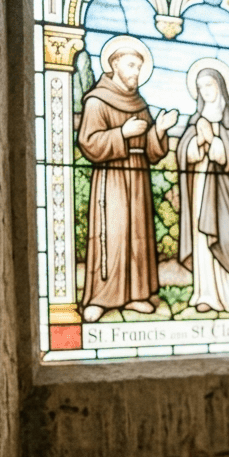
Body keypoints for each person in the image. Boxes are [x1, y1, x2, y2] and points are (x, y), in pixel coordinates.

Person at [78, 36, 178, 322]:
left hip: (139, 174)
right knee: (113, 233)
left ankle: (136, 295)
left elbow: (152, 149)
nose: (136, 72)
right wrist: (122, 133)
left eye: (139, 67)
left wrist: (159, 129)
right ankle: (101, 297)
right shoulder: (98, 101)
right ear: (115, 64)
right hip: (113, 176)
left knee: (139, 234)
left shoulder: (139, 102)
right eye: (131, 65)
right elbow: (89, 142)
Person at [177, 60, 229, 315]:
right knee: (202, 238)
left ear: (220, 86)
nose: (205, 91)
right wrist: (197, 143)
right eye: (200, 87)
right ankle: (206, 294)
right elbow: (183, 155)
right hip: (201, 185)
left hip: (226, 191)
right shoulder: (195, 119)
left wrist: (217, 143)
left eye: (209, 85)